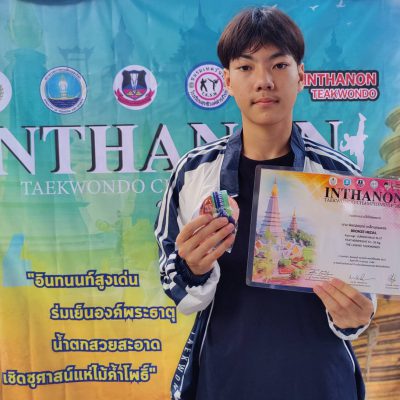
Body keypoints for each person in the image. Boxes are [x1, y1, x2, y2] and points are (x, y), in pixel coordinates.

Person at [155, 7, 376, 400]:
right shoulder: (193, 174)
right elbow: (180, 292)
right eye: (246, 67)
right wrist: (191, 268)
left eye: (279, 65)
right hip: (225, 378)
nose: (264, 81)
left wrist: (355, 315)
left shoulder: (341, 179)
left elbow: (360, 304)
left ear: (301, 76)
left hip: (320, 381)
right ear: (226, 80)